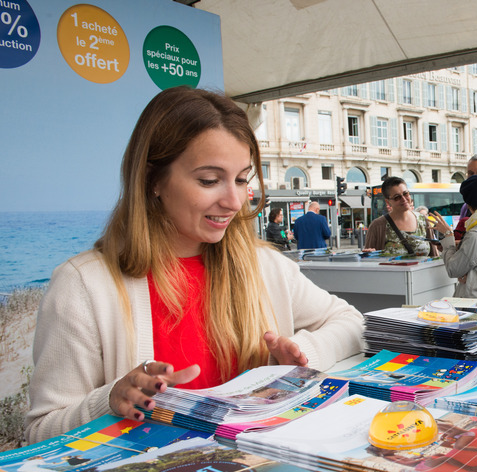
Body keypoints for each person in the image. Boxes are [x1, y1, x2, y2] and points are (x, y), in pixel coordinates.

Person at [25, 87, 364, 444]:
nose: (234, 202)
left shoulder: (265, 266)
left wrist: (302, 354)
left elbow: (351, 323)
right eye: (209, 180)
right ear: (152, 179)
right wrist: (109, 401)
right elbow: (41, 431)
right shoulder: (83, 286)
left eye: (241, 179)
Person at [363, 177, 439, 256]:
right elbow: (369, 259)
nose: (404, 199)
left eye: (405, 193)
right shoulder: (377, 226)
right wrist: (368, 254)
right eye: (397, 197)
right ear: (388, 202)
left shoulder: (423, 220)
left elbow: (434, 255)